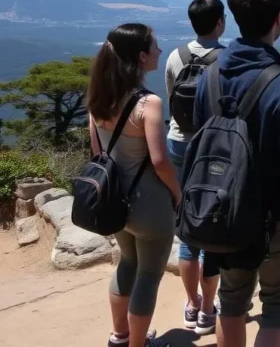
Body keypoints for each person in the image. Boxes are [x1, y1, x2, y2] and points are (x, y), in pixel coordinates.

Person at [192, 0, 280, 347]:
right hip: (275, 217)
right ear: (278, 19)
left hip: (221, 212)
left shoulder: (209, 76)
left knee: (231, 304)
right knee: (276, 308)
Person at [86, 23, 181, 347]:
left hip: (112, 200)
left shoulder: (98, 99)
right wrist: (179, 194)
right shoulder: (148, 104)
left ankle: (120, 336)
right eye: (155, 46)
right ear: (141, 57)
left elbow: (98, 154)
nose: (160, 50)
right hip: (150, 205)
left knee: (127, 263)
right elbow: (159, 161)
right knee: (149, 275)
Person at [164, 0, 226, 335]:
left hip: (178, 142)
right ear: (220, 23)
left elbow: (172, 98)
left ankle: (191, 304)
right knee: (210, 225)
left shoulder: (176, 56)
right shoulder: (226, 59)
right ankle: (207, 308)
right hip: (212, 148)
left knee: (187, 227)